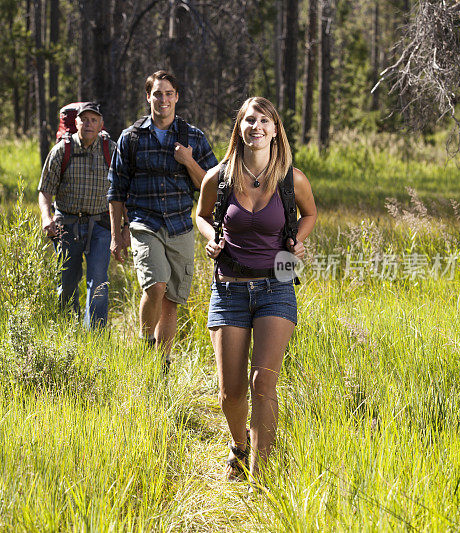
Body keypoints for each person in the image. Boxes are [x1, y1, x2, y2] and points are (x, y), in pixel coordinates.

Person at [195, 96, 317, 482]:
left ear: (275, 129)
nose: (256, 127)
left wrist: (297, 238)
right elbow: (200, 215)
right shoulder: (220, 176)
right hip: (229, 290)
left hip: (276, 288)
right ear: (240, 129)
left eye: (264, 120)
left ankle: (261, 480)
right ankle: (239, 447)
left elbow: (310, 213)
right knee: (231, 393)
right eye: (249, 120)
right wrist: (212, 236)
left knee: (262, 382)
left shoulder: (291, 178)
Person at [108, 70, 218, 363]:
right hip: (145, 223)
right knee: (155, 285)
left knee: (172, 299)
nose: (163, 99)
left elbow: (211, 185)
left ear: (177, 97)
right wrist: (116, 235)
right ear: (148, 97)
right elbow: (116, 189)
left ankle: (163, 362)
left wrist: (188, 160)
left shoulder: (192, 136)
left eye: (169, 93)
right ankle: (145, 346)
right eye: (157, 93)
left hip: (180, 225)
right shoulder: (131, 137)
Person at [38, 102, 117, 329]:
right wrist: (46, 217)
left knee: (99, 284)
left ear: (101, 124)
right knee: (67, 284)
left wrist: (123, 228)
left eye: (94, 120)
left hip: (100, 225)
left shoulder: (110, 150)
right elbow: (45, 191)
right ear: (76, 123)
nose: (89, 124)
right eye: (85, 120)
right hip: (66, 225)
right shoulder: (62, 150)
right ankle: (68, 334)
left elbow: (123, 191)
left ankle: (95, 339)